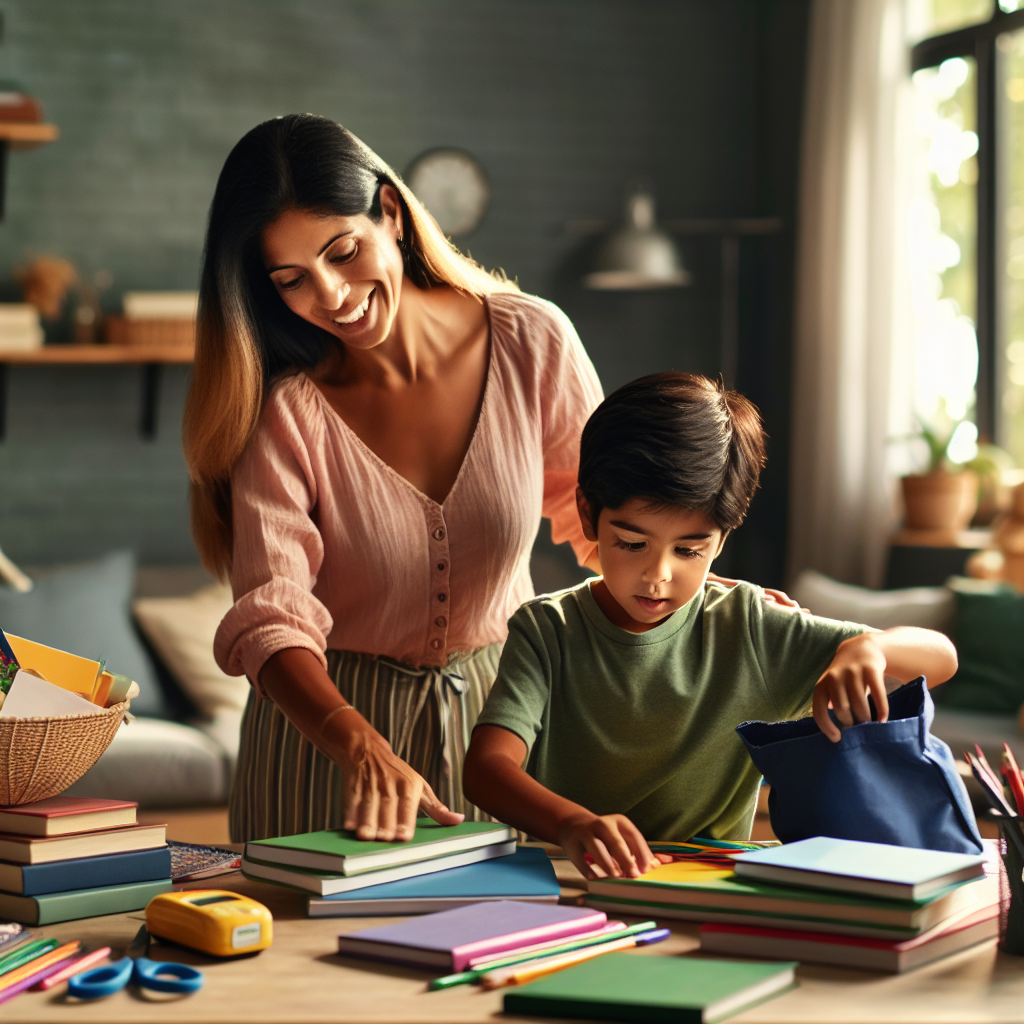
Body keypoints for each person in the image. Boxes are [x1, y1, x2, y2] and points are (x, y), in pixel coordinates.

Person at [182, 114, 603, 843]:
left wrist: (716, 602)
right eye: (291, 280)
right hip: (320, 749)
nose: (333, 295)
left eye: (343, 252)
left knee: (503, 950)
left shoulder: (533, 341)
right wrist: (357, 741)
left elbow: (605, 522)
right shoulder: (286, 412)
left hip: (501, 733)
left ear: (392, 213)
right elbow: (273, 615)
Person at [463, 373, 959, 882]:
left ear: (721, 541)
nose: (658, 576)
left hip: (707, 891)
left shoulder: (749, 627)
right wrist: (571, 823)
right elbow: (485, 770)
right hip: (567, 881)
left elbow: (942, 656)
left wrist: (870, 648)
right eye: (632, 543)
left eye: (689, 550)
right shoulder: (548, 629)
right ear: (588, 515)